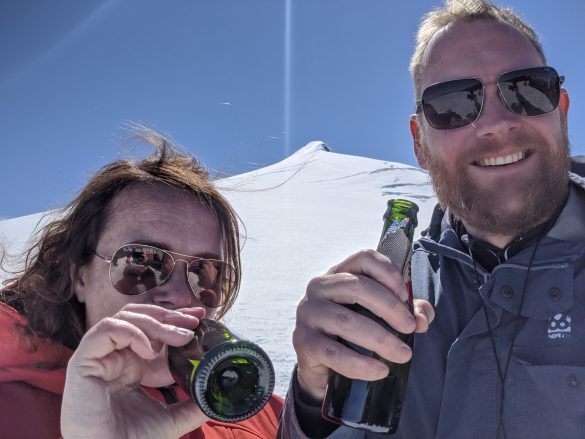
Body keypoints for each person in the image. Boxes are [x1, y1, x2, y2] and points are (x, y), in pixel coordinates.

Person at [278, 0, 584, 438]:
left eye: (528, 88)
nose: (497, 123)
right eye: (455, 104)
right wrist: (312, 395)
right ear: (419, 144)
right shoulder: (392, 298)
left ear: (562, 110)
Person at [0, 127, 283, 438]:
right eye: (141, 262)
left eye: (204, 273)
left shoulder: (255, 409)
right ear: (78, 276)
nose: (179, 296)